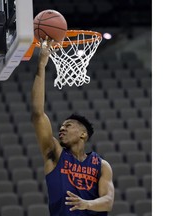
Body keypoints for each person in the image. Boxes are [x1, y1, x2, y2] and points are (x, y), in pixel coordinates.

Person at [31, 38, 114, 216]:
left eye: (68, 125)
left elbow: (108, 201)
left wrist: (86, 204)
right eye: (61, 126)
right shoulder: (54, 154)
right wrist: (41, 65)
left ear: (83, 134)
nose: (62, 129)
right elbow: (38, 114)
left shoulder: (101, 165)